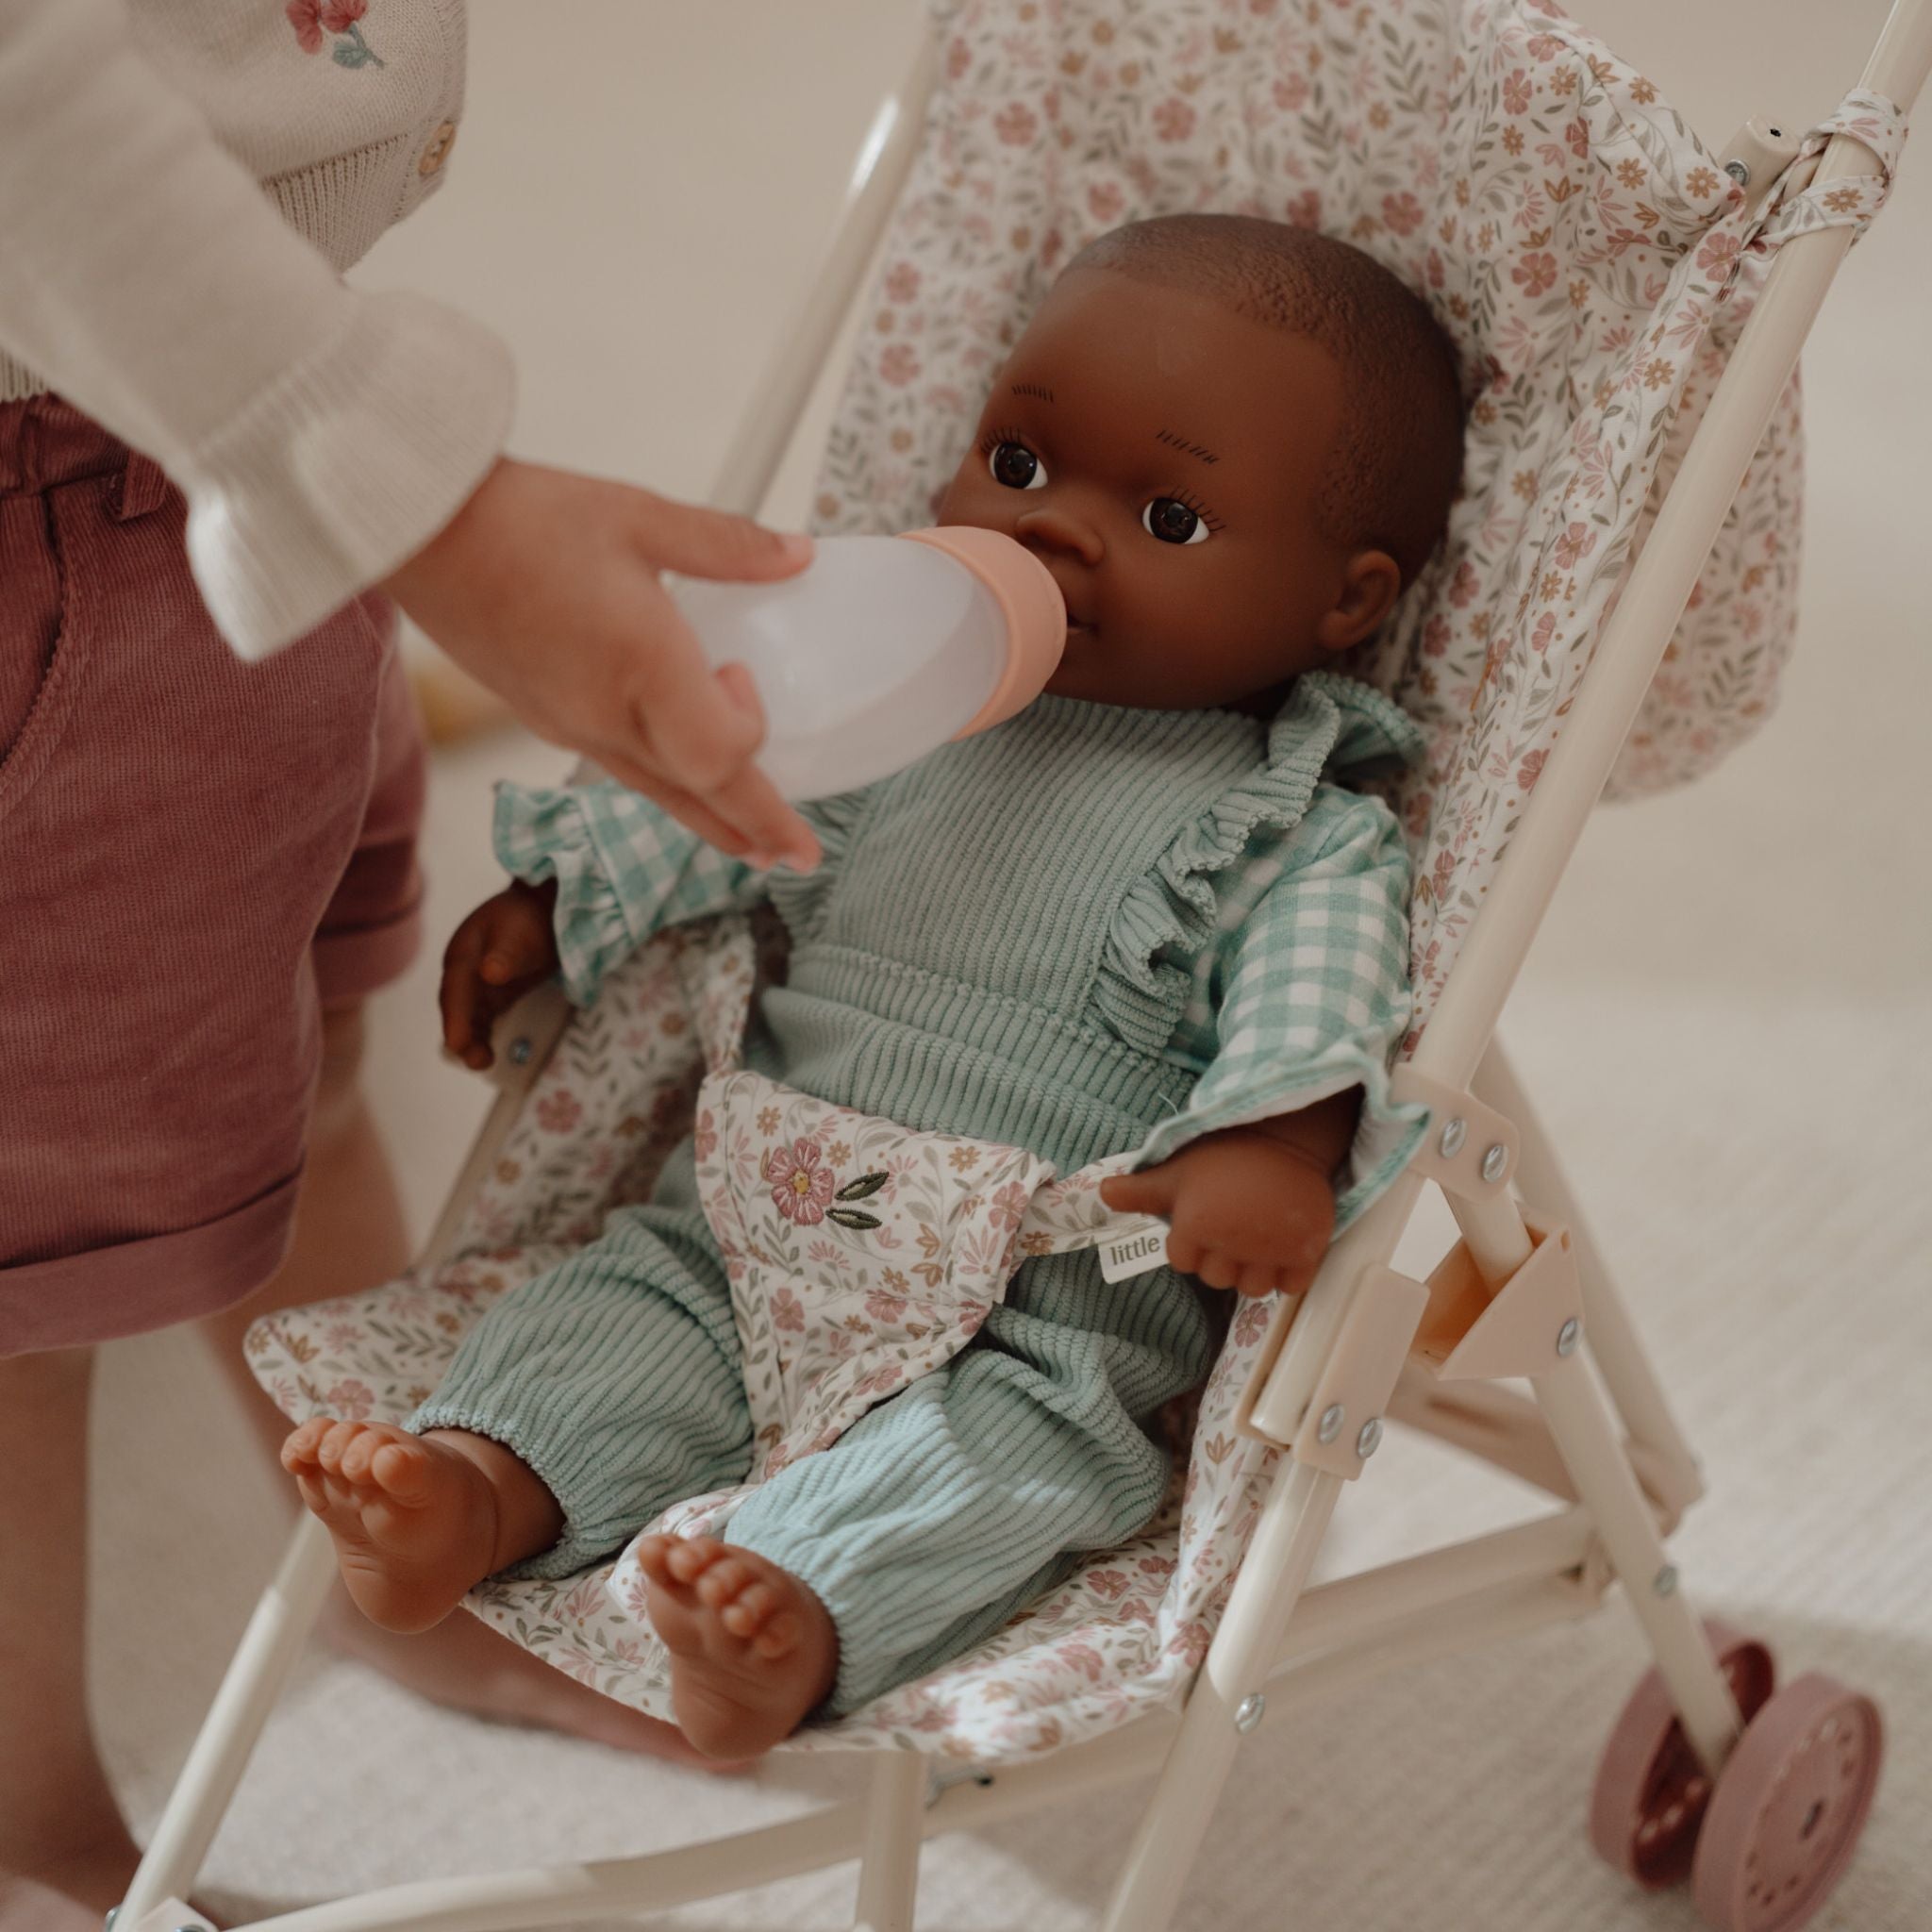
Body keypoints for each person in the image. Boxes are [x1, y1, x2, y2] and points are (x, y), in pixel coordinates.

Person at [285, 214, 1466, 1760]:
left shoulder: (1297, 826)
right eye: (1020, 464)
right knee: (621, 1316)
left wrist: (1275, 1140)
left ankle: (794, 1614)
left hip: (1042, 1302)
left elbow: (1318, 1006)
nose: (1056, 530)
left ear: (1347, 603)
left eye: (1169, 516)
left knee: (1016, 1455)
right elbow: (727, 794)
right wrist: (562, 898)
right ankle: (479, 1488)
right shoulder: (910, 698)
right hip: (751, 1224)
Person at [0, 4, 821, 1923]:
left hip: (231, 425)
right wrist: (427, 503)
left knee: (301, 1060)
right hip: (105, 448)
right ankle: (25, 1822)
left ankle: (406, 1582)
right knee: (27, 1273)